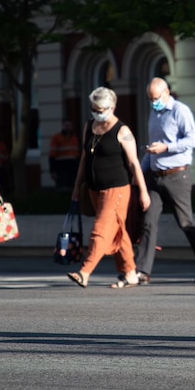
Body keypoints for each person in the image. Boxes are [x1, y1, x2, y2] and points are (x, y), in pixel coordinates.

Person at [134, 77, 195, 284]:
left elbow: (193, 140)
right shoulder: (154, 113)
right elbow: (153, 148)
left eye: (155, 98)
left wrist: (166, 148)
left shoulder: (180, 110)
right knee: (148, 222)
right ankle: (142, 271)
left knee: (185, 221)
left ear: (166, 93)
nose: (153, 102)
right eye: (150, 99)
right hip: (155, 175)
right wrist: (139, 171)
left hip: (176, 175)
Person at [67, 87, 151, 288]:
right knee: (117, 231)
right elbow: (84, 158)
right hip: (94, 189)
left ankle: (84, 272)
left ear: (111, 107)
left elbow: (133, 164)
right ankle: (130, 273)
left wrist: (143, 192)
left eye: (100, 109)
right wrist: (77, 187)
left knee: (101, 230)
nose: (96, 112)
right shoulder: (89, 126)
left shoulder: (122, 131)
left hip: (117, 190)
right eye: (93, 108)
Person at [49, 120, 80, 191]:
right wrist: (52, 170)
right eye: (66, 125)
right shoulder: (56, 138)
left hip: (73, 167)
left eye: (69, 125)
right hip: (61, 167)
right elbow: (52, 155)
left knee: (72, 188)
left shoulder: (74, 138)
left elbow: (77, 155)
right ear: (62, 126)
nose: (68, 127)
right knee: (62, 188)